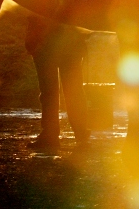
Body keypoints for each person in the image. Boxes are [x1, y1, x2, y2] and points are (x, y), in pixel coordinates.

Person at [25, 15, 91, 151]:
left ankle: (50, 136)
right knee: (74, 92)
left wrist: (33, 40)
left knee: (49, 93)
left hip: (46, 43)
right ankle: (81, 136)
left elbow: (33, 13)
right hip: (69, 44)